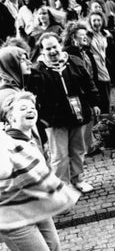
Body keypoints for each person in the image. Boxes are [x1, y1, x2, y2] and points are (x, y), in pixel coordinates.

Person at [0, 91, 80, 251]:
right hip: (12, 216)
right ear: (10, 117)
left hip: (36, 204)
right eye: (22, 109)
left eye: (32, 107)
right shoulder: (7, 143)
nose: (30, 110)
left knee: (54, 246)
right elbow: (4, 171)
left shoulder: (30, 139)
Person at [29, 33, 101, 194]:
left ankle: (78, 179)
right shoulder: (37, 71)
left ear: (60, 45)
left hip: (77, 114)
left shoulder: (74, 61)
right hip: (54, 119)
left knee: (77, 150)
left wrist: (95, 102)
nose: (53, 51)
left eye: (55, 47)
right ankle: (62, 185)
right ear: (42, 50)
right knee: (59, 155)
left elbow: (88, 83)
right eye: (48, 49)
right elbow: (35, 97)